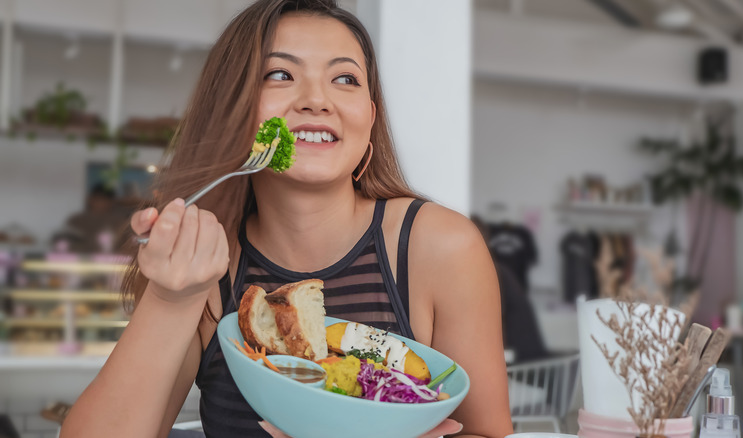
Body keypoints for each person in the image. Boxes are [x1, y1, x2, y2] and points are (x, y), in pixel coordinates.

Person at [60, 1, 512, 437]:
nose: (317, 99)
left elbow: (487, 433)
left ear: (369, 118)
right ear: (233, 107)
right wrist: (170, 298)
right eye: (280, 74)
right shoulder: (208, 264)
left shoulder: (439, 247)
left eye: (345, 79)